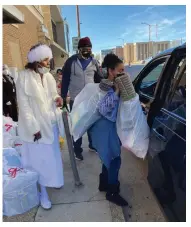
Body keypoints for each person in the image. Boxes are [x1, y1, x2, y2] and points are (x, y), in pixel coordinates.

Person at [16, 43, 64, 210]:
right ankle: (43, 192)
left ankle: (54, 180)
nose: (47, 63)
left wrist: (57, 99)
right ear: (35, 60)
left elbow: (52, 96)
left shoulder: (49, 76)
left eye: (48, 59)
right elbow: (24, 106)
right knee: (38, 162)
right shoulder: (23, 77)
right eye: (45, 60)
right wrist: (33, 127)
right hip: (35, 129)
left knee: (52, 158)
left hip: (50, 124)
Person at [88, 53, 129, 206]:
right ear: (111, 71)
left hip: (107, 127)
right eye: (120, 70)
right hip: (104, 128)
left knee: (108, 157)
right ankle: (112, 192)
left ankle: (104, 183)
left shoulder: (112, 84)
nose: (123, 72)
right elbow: (103, 109)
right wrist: (118, 91)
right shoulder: (106, 86)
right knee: (115, 159)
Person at [61, 37, 102, 161]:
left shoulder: (94, 62)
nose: (87, 51)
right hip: (76, 99)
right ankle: (77, 150)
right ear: (79, 49)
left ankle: (92, 145)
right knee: (78, 125)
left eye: (89, 49)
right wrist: (63, 97)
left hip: (90, 99)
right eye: (84, 49)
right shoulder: (70, 62)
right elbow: (65, 80)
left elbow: (99, 80)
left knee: (91, 122)